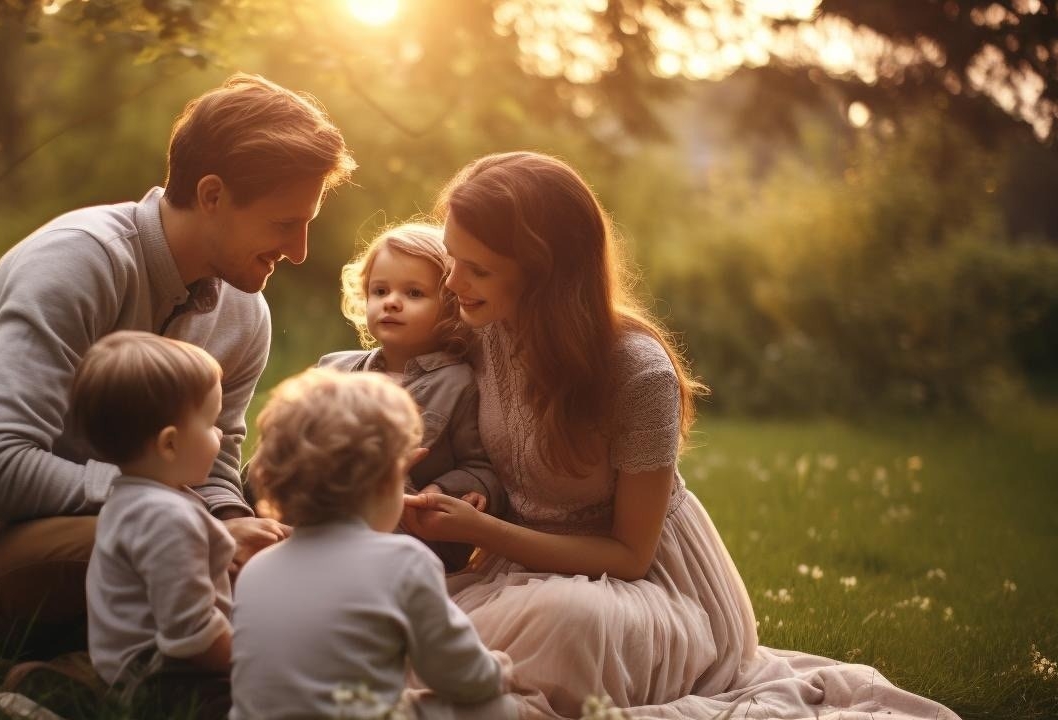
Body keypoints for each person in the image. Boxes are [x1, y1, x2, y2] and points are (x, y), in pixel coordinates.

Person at [401, 151, 960, 718]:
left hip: (642, 588)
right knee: (389, 604)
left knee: (570, 624)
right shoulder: (480, 326)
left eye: (477, 268)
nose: (452, 281)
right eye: (451, 258)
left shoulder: (637, 372)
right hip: (518, 571)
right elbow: (379, 367)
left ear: (543, 271)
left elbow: (628, 556)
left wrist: (486, 532)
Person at [0, 73, 356, 660]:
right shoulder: (77, 263)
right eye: (285, 223)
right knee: (179, 549)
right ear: (212, 195)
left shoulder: (246, 314)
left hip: (144, 539)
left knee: (284, 569)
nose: (300, 251)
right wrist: (196, 525)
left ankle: (82, 679)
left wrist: (239, 528)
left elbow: (213, 467)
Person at [233, 368, 511, 720]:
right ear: (384, 484)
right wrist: (497, 670)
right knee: (497, 707)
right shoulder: (405, 561)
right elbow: (460, 676)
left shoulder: (257, 568)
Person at [317, 222, 505, 572]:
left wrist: (455, 487)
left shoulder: (459, 383)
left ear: (451, 305)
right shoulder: (334, 371)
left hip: (412, 539)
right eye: (380, 291)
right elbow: (288, 449)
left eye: (414, 293)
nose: (391, 302)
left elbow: (480, 466)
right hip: (327, 526)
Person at [70, 332, 235, 718]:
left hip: (129, 669)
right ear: (170, 444)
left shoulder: (129, 497)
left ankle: (76, 685)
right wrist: (252, 658)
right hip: (163, 678)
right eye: (212, 424)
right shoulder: (167, 520)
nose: (221, 434)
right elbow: (191, 634)